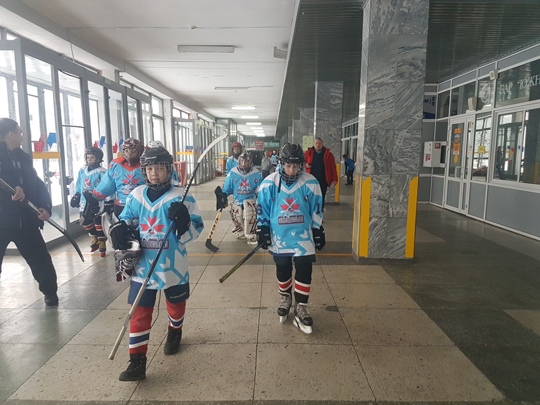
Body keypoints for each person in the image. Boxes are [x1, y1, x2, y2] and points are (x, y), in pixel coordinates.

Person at [109, 146, 204, 381]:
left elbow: (197, 226)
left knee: (176, 305)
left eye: (159, 168)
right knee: (139, 312)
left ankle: (175, 330)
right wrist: (119, 230)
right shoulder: (136, 195)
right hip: (143, 266)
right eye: (149, 169)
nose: (154, 173)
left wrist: (184, 223)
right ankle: (137, 361)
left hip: (173, 265)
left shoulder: (182, 196)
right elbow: (126, 220)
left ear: (169, 170)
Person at [256, 143, 325, 334]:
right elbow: (263, 208)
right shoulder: (269, 183)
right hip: (279, 237)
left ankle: (301, 305)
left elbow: (317, 208)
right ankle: (285, 297)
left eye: (296, 166)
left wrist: (318, 229)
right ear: (281, 163)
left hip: (303, 237)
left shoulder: (311, 183)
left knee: (304, 268)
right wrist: (263, 228)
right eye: (288, 166)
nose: (292, 170)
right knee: (283, 267)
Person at [0, 118, 59, 306]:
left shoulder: (23, 158)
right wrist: (12, 189)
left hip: (26, 220)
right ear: (11, 134)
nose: (22, 136)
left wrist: (45, 206)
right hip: (2, 222)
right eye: (19, 132)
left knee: (41, 260)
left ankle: (50, 293)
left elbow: (37, 184)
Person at [89, 138, 145, 217]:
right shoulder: (116, 164)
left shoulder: (146, 164)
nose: (129, 154)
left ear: (140, 151)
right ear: (123, 151)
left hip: (142, 206)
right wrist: (96, 194)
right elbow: (107, 184)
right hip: (123, 206)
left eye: (133, 151)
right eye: (127, 151)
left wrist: (97, 194)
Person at [70, 147, 110, 256]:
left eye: (92, 158)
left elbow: (106, 186)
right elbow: (79, 184)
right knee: (84, 220)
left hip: (97, 201)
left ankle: (102, 241)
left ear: (98, 159)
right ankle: (95, 236)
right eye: (88, 158)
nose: (89, 160)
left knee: (98, 221)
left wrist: (107, 200)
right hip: (84, 201)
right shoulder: (82, 170)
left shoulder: (102, 172)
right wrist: (77, 195)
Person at [219, 153, 262, 244]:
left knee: (249, 213)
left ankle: (251, 232)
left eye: (246, 162)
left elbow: (260, 191)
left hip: (251, 201)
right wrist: (223, 196)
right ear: (238, 162)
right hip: (237, 201)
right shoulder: (232, 173)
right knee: (237, 213)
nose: (244, 164)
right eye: (242, 162)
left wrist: (261, 200)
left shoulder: (256, 174)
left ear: (250, 163)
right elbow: (227, 188)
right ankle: (240, 230)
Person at [304, 137, 338, 211]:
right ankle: (310, 211)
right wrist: (305, 165)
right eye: (316, 143)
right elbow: (301, 163)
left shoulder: (328, 155)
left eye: (319, 143)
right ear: (314, 144)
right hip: (311, 180)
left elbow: (333, 167)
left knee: (321, 196)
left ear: (322, 144)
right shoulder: (307, 153)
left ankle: (320, 212)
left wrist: (335, 178)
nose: (318, 145)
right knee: (310, 196)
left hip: (323, 180)